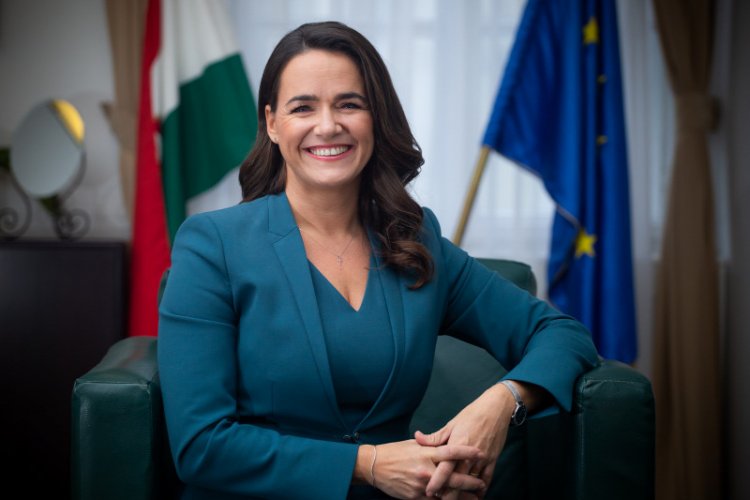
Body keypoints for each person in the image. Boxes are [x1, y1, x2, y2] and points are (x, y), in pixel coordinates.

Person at [157, 20, 600, 500]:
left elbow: (562, 334)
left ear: (376, 117)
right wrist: (368, 464)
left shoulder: (416, 241)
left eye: (349, 104)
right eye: (303, 107)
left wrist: (500, 403)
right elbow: (201, 445)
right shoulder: (212, 245)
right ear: (272, 123)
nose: (328, 125)